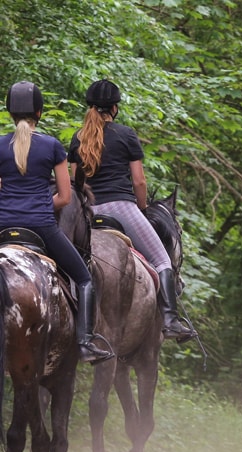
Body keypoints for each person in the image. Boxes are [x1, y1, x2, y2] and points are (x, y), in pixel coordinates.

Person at [68, 79, 196, 342]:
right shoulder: (126, 134)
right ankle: (171, 321)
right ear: (114, 108)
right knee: (162, 260)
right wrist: (141, 208)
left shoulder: (78, 137)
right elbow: (139, 181)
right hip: (121, 207)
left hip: (88, 212)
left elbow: (75, 184)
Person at [0, 81, 113, 363]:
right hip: (41, 226)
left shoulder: (0, 145)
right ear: (39, 111)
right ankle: (86, 342)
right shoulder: (51, 146)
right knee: (85, 279)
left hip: (3, 225)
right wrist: (37, 205)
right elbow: (64, 197)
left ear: (10, 112)